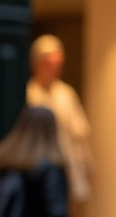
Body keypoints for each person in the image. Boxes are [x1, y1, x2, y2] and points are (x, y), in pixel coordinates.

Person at [27, 35, 93, 204]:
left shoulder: (66, 94)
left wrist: (87, 164)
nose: (54, 69)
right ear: (36, 63)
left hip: (65, 166)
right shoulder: (28, 92)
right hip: (36, 166)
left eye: (58, 64)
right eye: (49, 64)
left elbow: (79, 133)